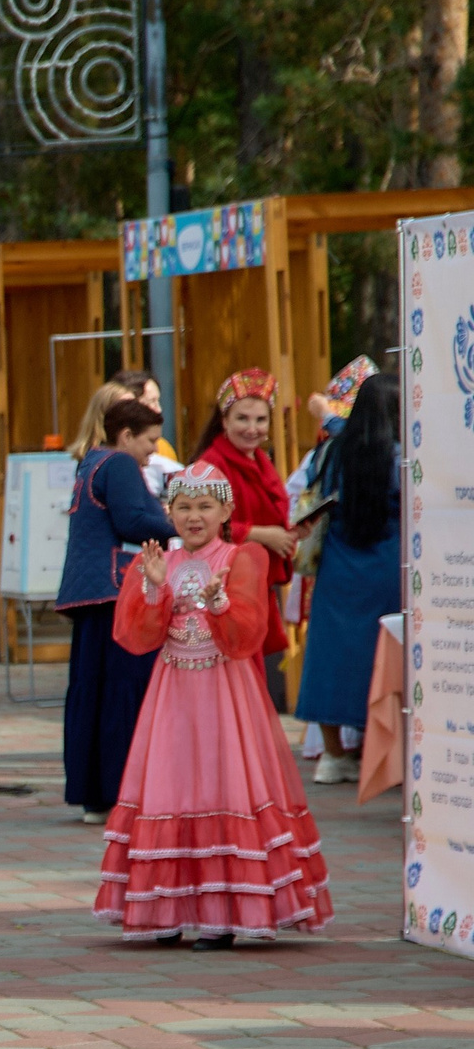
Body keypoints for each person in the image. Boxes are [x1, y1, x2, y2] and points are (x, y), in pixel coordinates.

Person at [94, 462, 332, 946]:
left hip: (227, 691)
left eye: (205, 506)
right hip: (173, 690)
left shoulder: (243, 557)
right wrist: (156, 586)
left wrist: (220, 604)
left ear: (227, 510)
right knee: (172, 784)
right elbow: (136, 636)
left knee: (224, 781)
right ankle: (167, 906)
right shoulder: (156, 561)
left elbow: (248, 636)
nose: (194, 516)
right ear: (169, 512)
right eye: (183, 507)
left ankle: (224, 911)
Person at [55, 398, 174, 825]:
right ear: (126, 436)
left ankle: (93, 794)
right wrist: (184, 521)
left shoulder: (91, 462)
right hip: (114, 593)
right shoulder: (120, 465)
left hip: (89, 595)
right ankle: (119, 792)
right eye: (150, 441)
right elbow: (131, 522)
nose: (153, 452)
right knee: (122, 692)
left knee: (92, 693)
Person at [294, 372, 401, 781]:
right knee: (383, 656)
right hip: (386, 565)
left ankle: (333, 755)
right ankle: (384, 752)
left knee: (330, 654)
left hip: (337, 564)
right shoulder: (400, 457)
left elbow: (313, 484)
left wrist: (325, 413)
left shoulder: (334, 451)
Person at [190, 370, 295, 709]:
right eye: (243, 419)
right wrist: (261, 534)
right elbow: (199, 525)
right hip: (224, 585)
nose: (253, 429)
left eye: (261, 419)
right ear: (224, 420)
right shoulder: (211, 464)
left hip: (254, 582)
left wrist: (290, 532)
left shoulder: (260, 460)